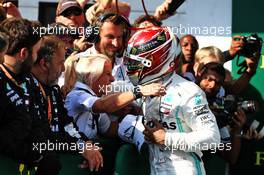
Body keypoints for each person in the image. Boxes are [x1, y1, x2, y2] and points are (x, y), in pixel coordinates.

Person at [118, 26, 220, 175]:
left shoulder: (188, 91)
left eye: (138, 62)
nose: (132, 67)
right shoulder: (141, 87)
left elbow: (212, 138)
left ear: (158, 59)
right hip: (156, 169)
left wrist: (166, 138)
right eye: (131, 62)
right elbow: (101, 98)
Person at [31, 35, 103, 172]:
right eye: (60, 63)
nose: (64, 69)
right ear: (44, 64)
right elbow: (42, 135)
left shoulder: (53, 90)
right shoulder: (27, 90)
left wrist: (85, 144)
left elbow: (68, 125)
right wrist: (79, 147)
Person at [196, 62, 247, 164]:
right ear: (199, 76)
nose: (212, 85)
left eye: (218, 83)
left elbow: (230, 157)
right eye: (209, 79)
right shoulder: (182, 95)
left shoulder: (219, 114)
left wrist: (236, 131)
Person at [71, 12, 131, 82]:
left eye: (119, 37)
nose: (116, 44)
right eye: (110, 37)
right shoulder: (77, 63)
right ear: (95, 37)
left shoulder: (127, 64)